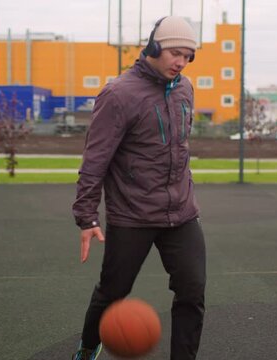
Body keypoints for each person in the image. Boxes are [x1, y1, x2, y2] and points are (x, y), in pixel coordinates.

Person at [71, 16, 206, 360]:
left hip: (181, 212)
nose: (181, 62)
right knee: (113, 291)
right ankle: (88, 348)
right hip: (133, 213)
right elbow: (95, 160)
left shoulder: (186, 89)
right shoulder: (118, 94)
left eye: (188, 56)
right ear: (154, 47)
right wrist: (87, 216)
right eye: (176, 52)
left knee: (192, 291)